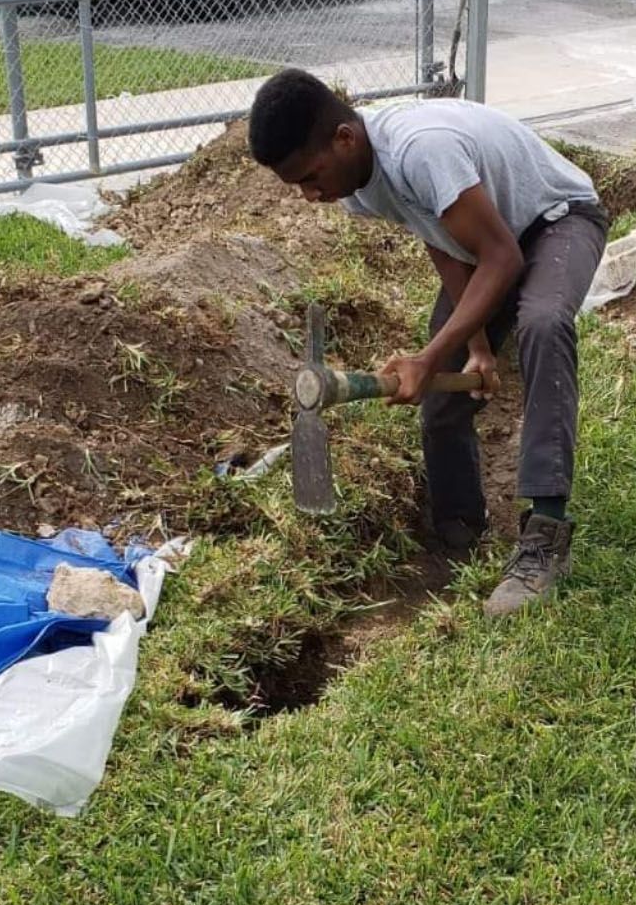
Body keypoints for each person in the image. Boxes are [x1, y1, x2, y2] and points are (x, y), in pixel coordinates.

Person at [249, 70, 607, 618]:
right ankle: (458, 531)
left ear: (344, 138)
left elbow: (505, 257)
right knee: (443, 399)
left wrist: (429, 356)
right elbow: (441, 237)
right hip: (491, 237)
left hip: (559, 219)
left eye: (312, 176)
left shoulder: (420, 149)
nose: (309, 195)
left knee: (542, 321)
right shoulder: (358, 184)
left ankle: (545, 535)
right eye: (296, 185)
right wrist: (478, 347)